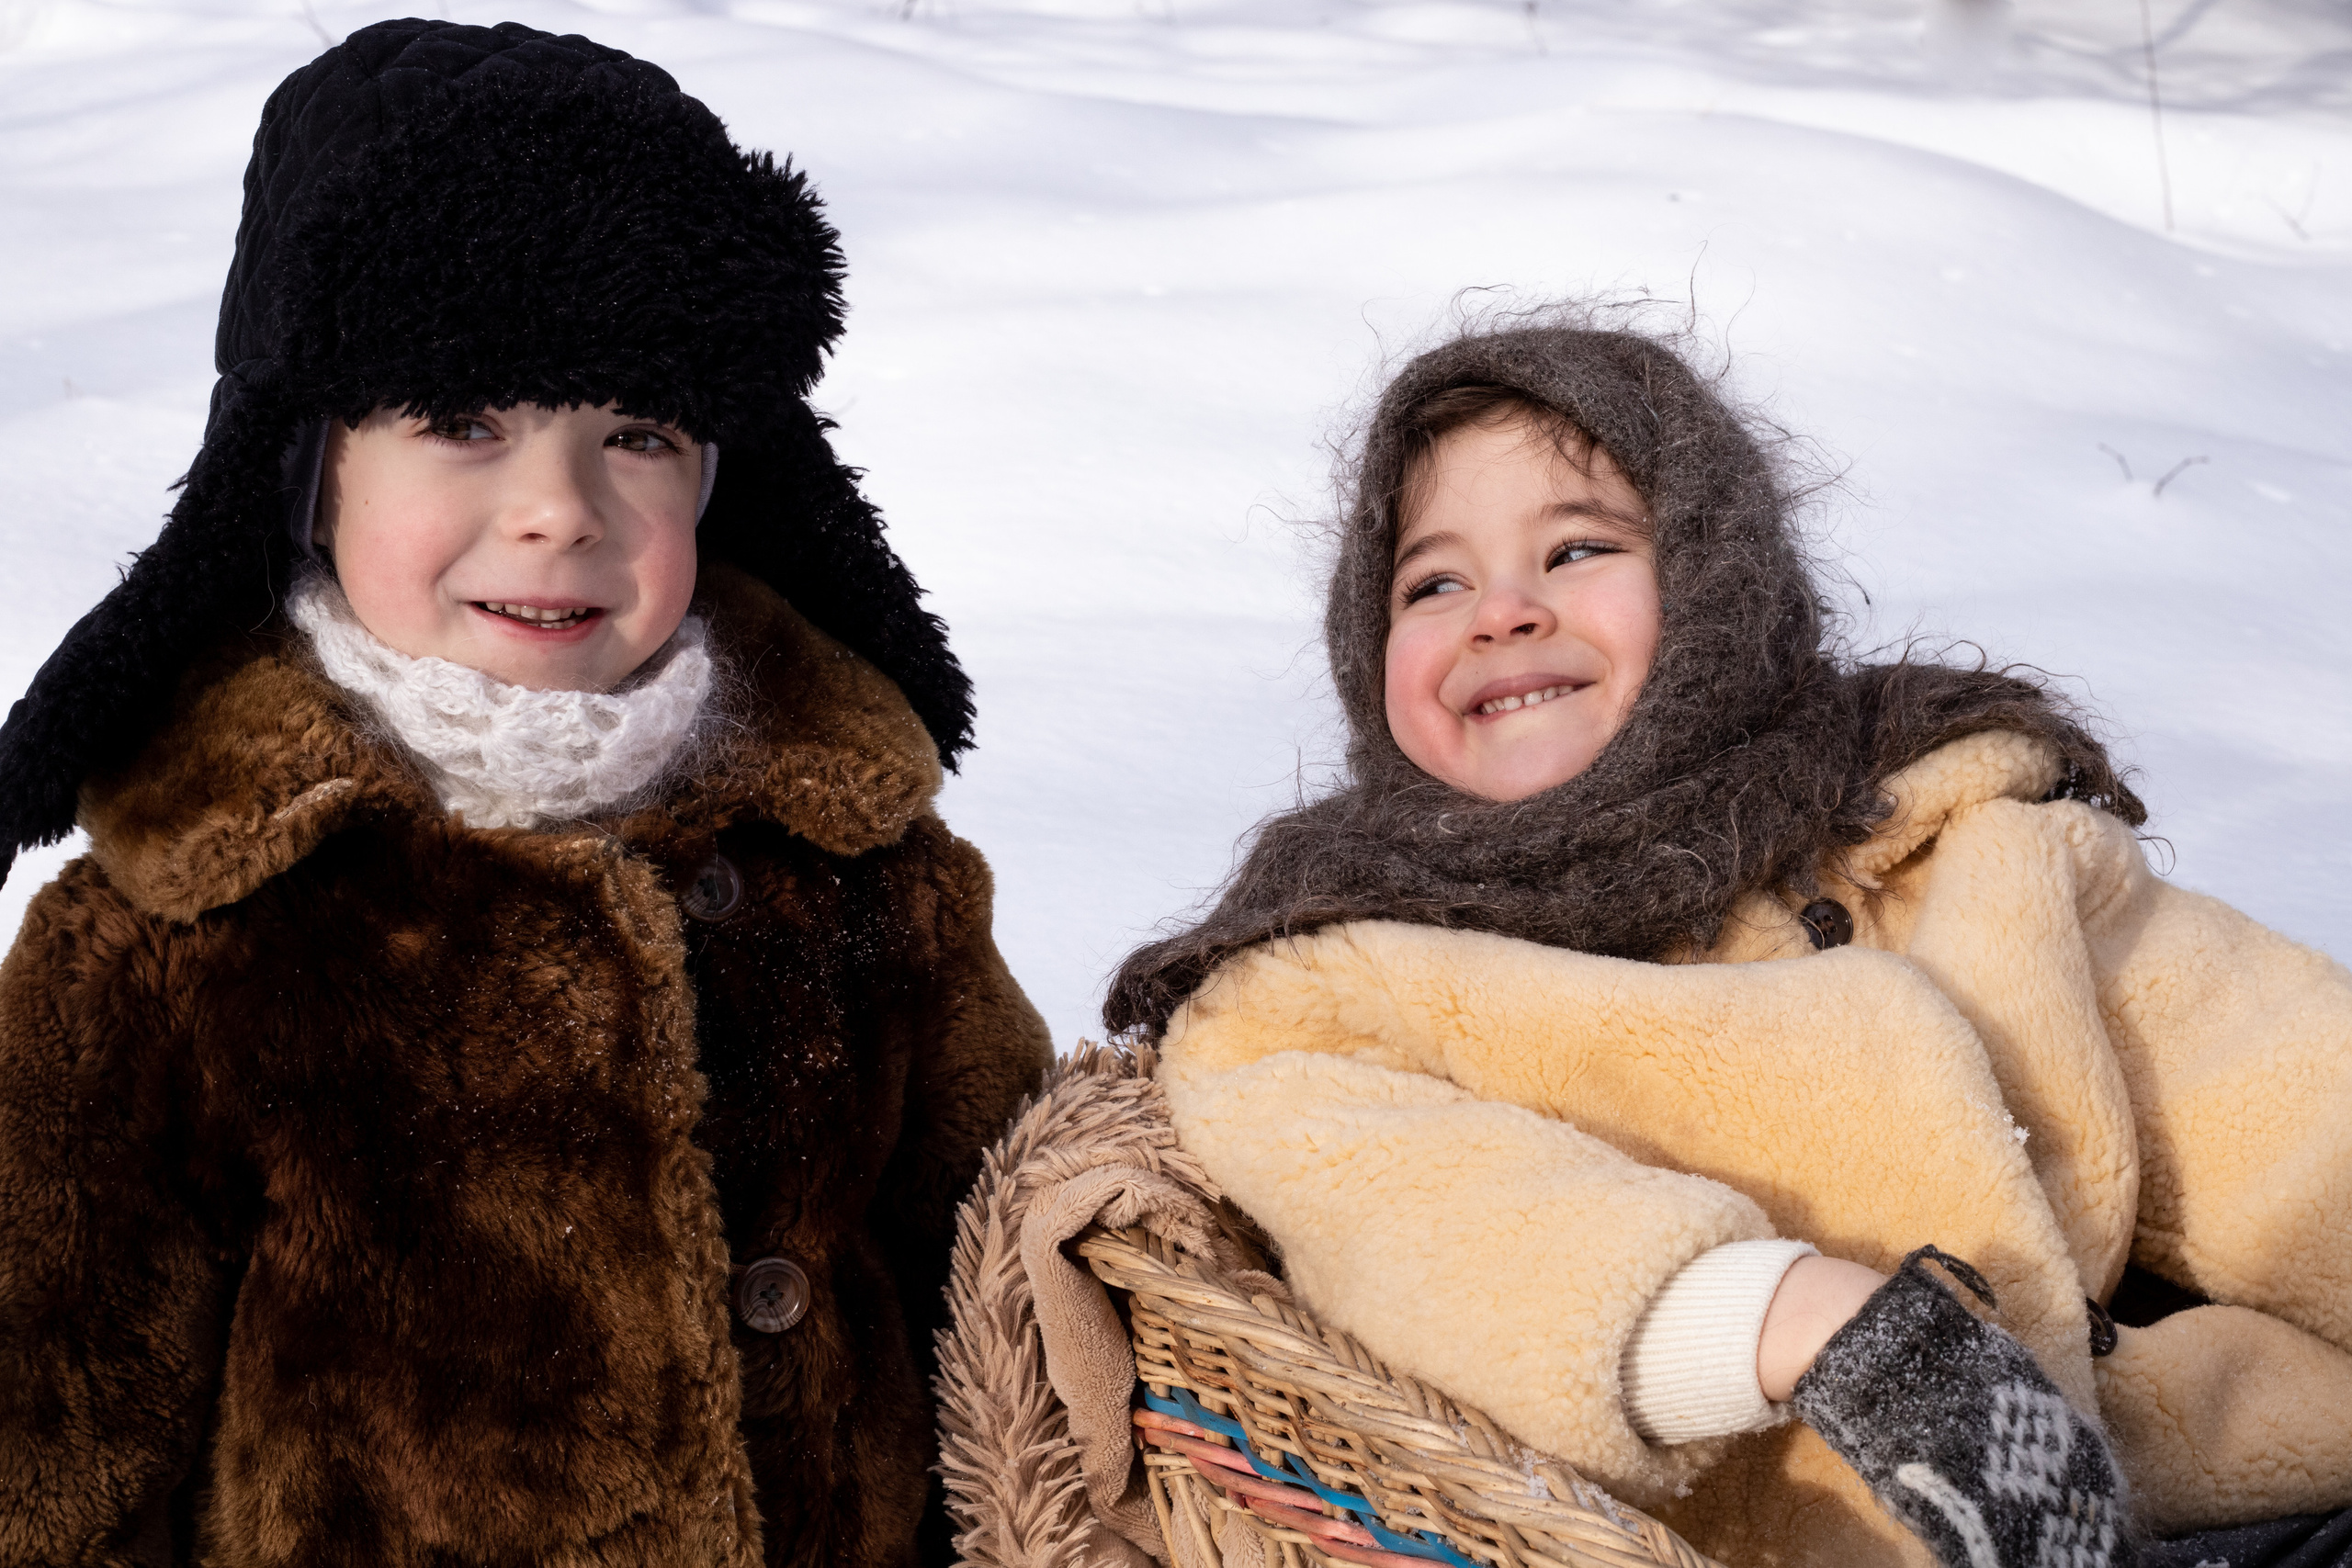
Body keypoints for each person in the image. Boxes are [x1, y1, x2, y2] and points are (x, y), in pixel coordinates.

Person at [0, 19, 1050, 1565]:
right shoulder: (174, 931)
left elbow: (1010, 1311)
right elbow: (51, 1447)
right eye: (463, 422)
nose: (557, 512)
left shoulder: (858, 867)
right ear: (305, 470)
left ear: (720, 479)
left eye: (635, 434)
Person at [1100, 313, 2352, 1568]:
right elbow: (1429, 1223)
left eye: (1575, 548)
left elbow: (2280, 1095)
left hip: (2185, 1487)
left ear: (1713, 585)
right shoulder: (1332, 977)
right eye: (1433, 583)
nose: (1501, 613)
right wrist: (1795, 1323)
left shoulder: (1951, 835)